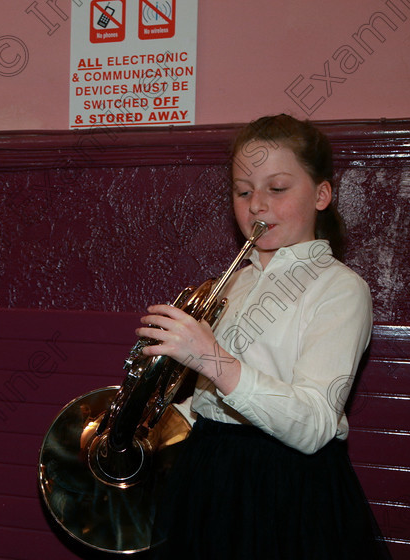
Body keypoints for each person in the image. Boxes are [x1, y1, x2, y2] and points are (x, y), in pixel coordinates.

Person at [140, 114, 390, 559]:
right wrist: (152, 420)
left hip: (285, 484)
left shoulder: (341, 288)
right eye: (243, 191)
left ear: (321, 195)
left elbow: (314, 424)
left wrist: (208, 356)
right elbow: (211, 400)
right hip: (209, 469)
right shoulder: (231, 284)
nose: (256, 205)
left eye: (277, 189)